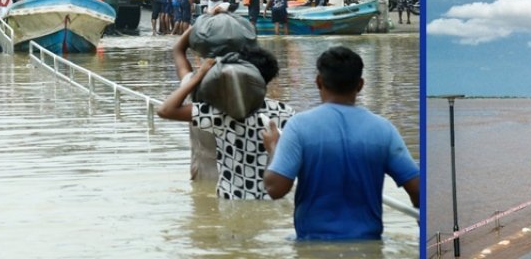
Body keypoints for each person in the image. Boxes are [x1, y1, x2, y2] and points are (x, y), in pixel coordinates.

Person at [263, 47, 420, 239]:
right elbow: (418, 189)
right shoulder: (383, 130)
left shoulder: (298, 127)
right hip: (369, 246)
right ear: (360, 85)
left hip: (312, 246)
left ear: (318, 82)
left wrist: (273, 149)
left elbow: (275, 189)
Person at [157, 48, 294, 199]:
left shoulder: (221, 113)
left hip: (230, 200)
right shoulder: (285, 112)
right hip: (272, 198)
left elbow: (165, 110)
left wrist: (199, 76)